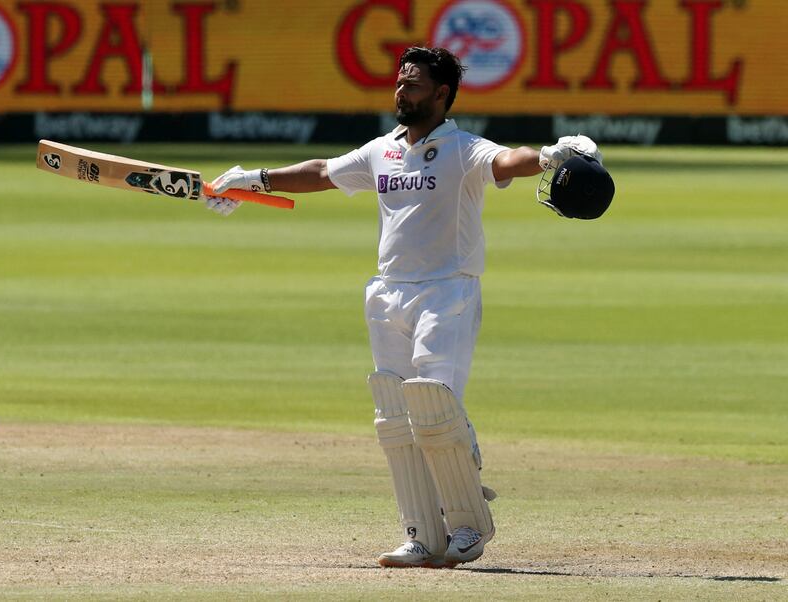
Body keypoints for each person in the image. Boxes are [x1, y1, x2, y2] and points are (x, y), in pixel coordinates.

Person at [206, 46, 603, 568]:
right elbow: (324, 171)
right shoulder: (382, 150)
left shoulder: (463, 148)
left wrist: (552, 154)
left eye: (414, 84)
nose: (401, 90)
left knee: (434, 410)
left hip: (447, 291)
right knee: (396, 419)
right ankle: (420, 533)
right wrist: (255, 180)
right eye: (400, 81)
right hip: (386, 291)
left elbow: (508, 159)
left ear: (441, 95)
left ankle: (466, 527)